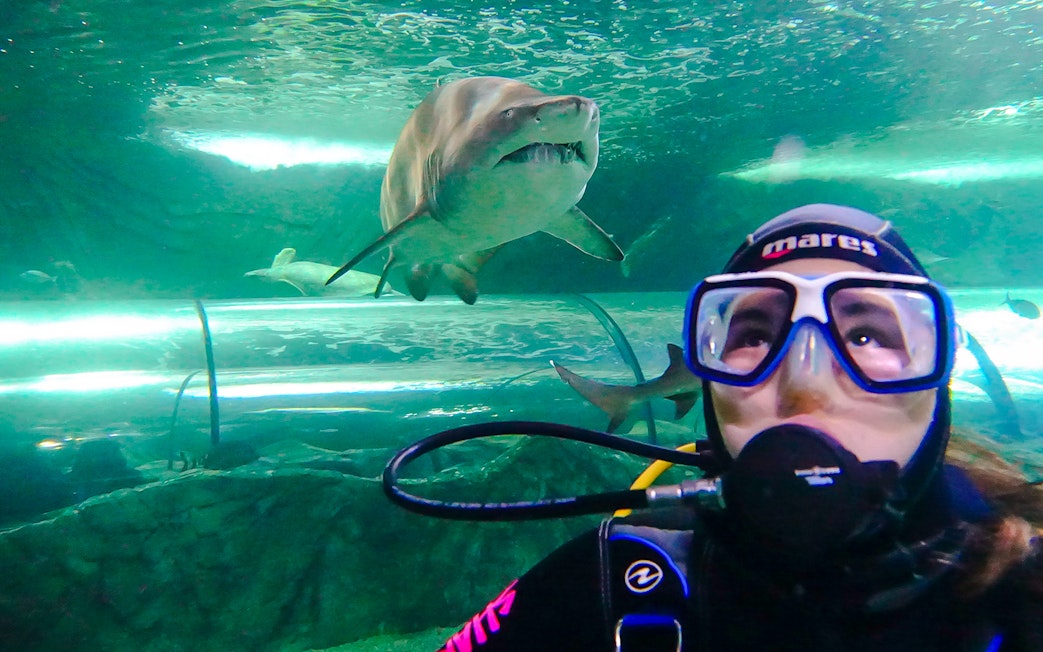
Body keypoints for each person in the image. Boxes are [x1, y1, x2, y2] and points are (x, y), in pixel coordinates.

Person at [433, 203, 1043, 651]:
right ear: (710, 381)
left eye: (865, 334)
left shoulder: (1027, 586)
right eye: (754, 334)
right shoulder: (614, 587)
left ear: (938, 380)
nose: (807, 378)